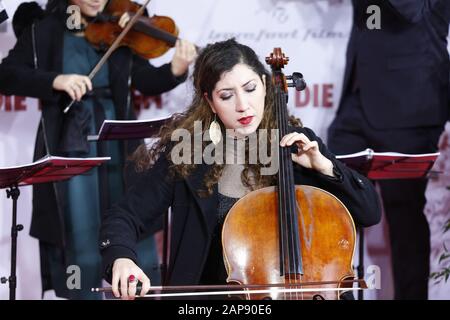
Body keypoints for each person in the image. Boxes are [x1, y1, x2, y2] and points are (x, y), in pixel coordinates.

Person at [99, 38, 382, 300]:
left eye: (250, 89)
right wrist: (121, 258)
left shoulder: (297, 143)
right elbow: (124, 216)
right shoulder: (188, 153)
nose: (243, 105)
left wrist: (325, 167)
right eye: (226, 96)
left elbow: (369, 212)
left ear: (264, 83)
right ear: (209, 101)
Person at [0, 0, 196, 299]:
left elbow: (144, 80)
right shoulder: (45, 28)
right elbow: (7, 75)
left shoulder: (121, 22)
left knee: (132, 214)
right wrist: (55, 79)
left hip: (119, 141)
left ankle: (136, 287)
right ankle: (83, 292)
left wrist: (175, 70)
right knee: (78, 225)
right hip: (69, 141)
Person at [327, 0, 450, 299]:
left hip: (409, 102)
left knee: (403, 214)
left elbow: (411, 10)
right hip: (358, 99)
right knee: (331, 199)